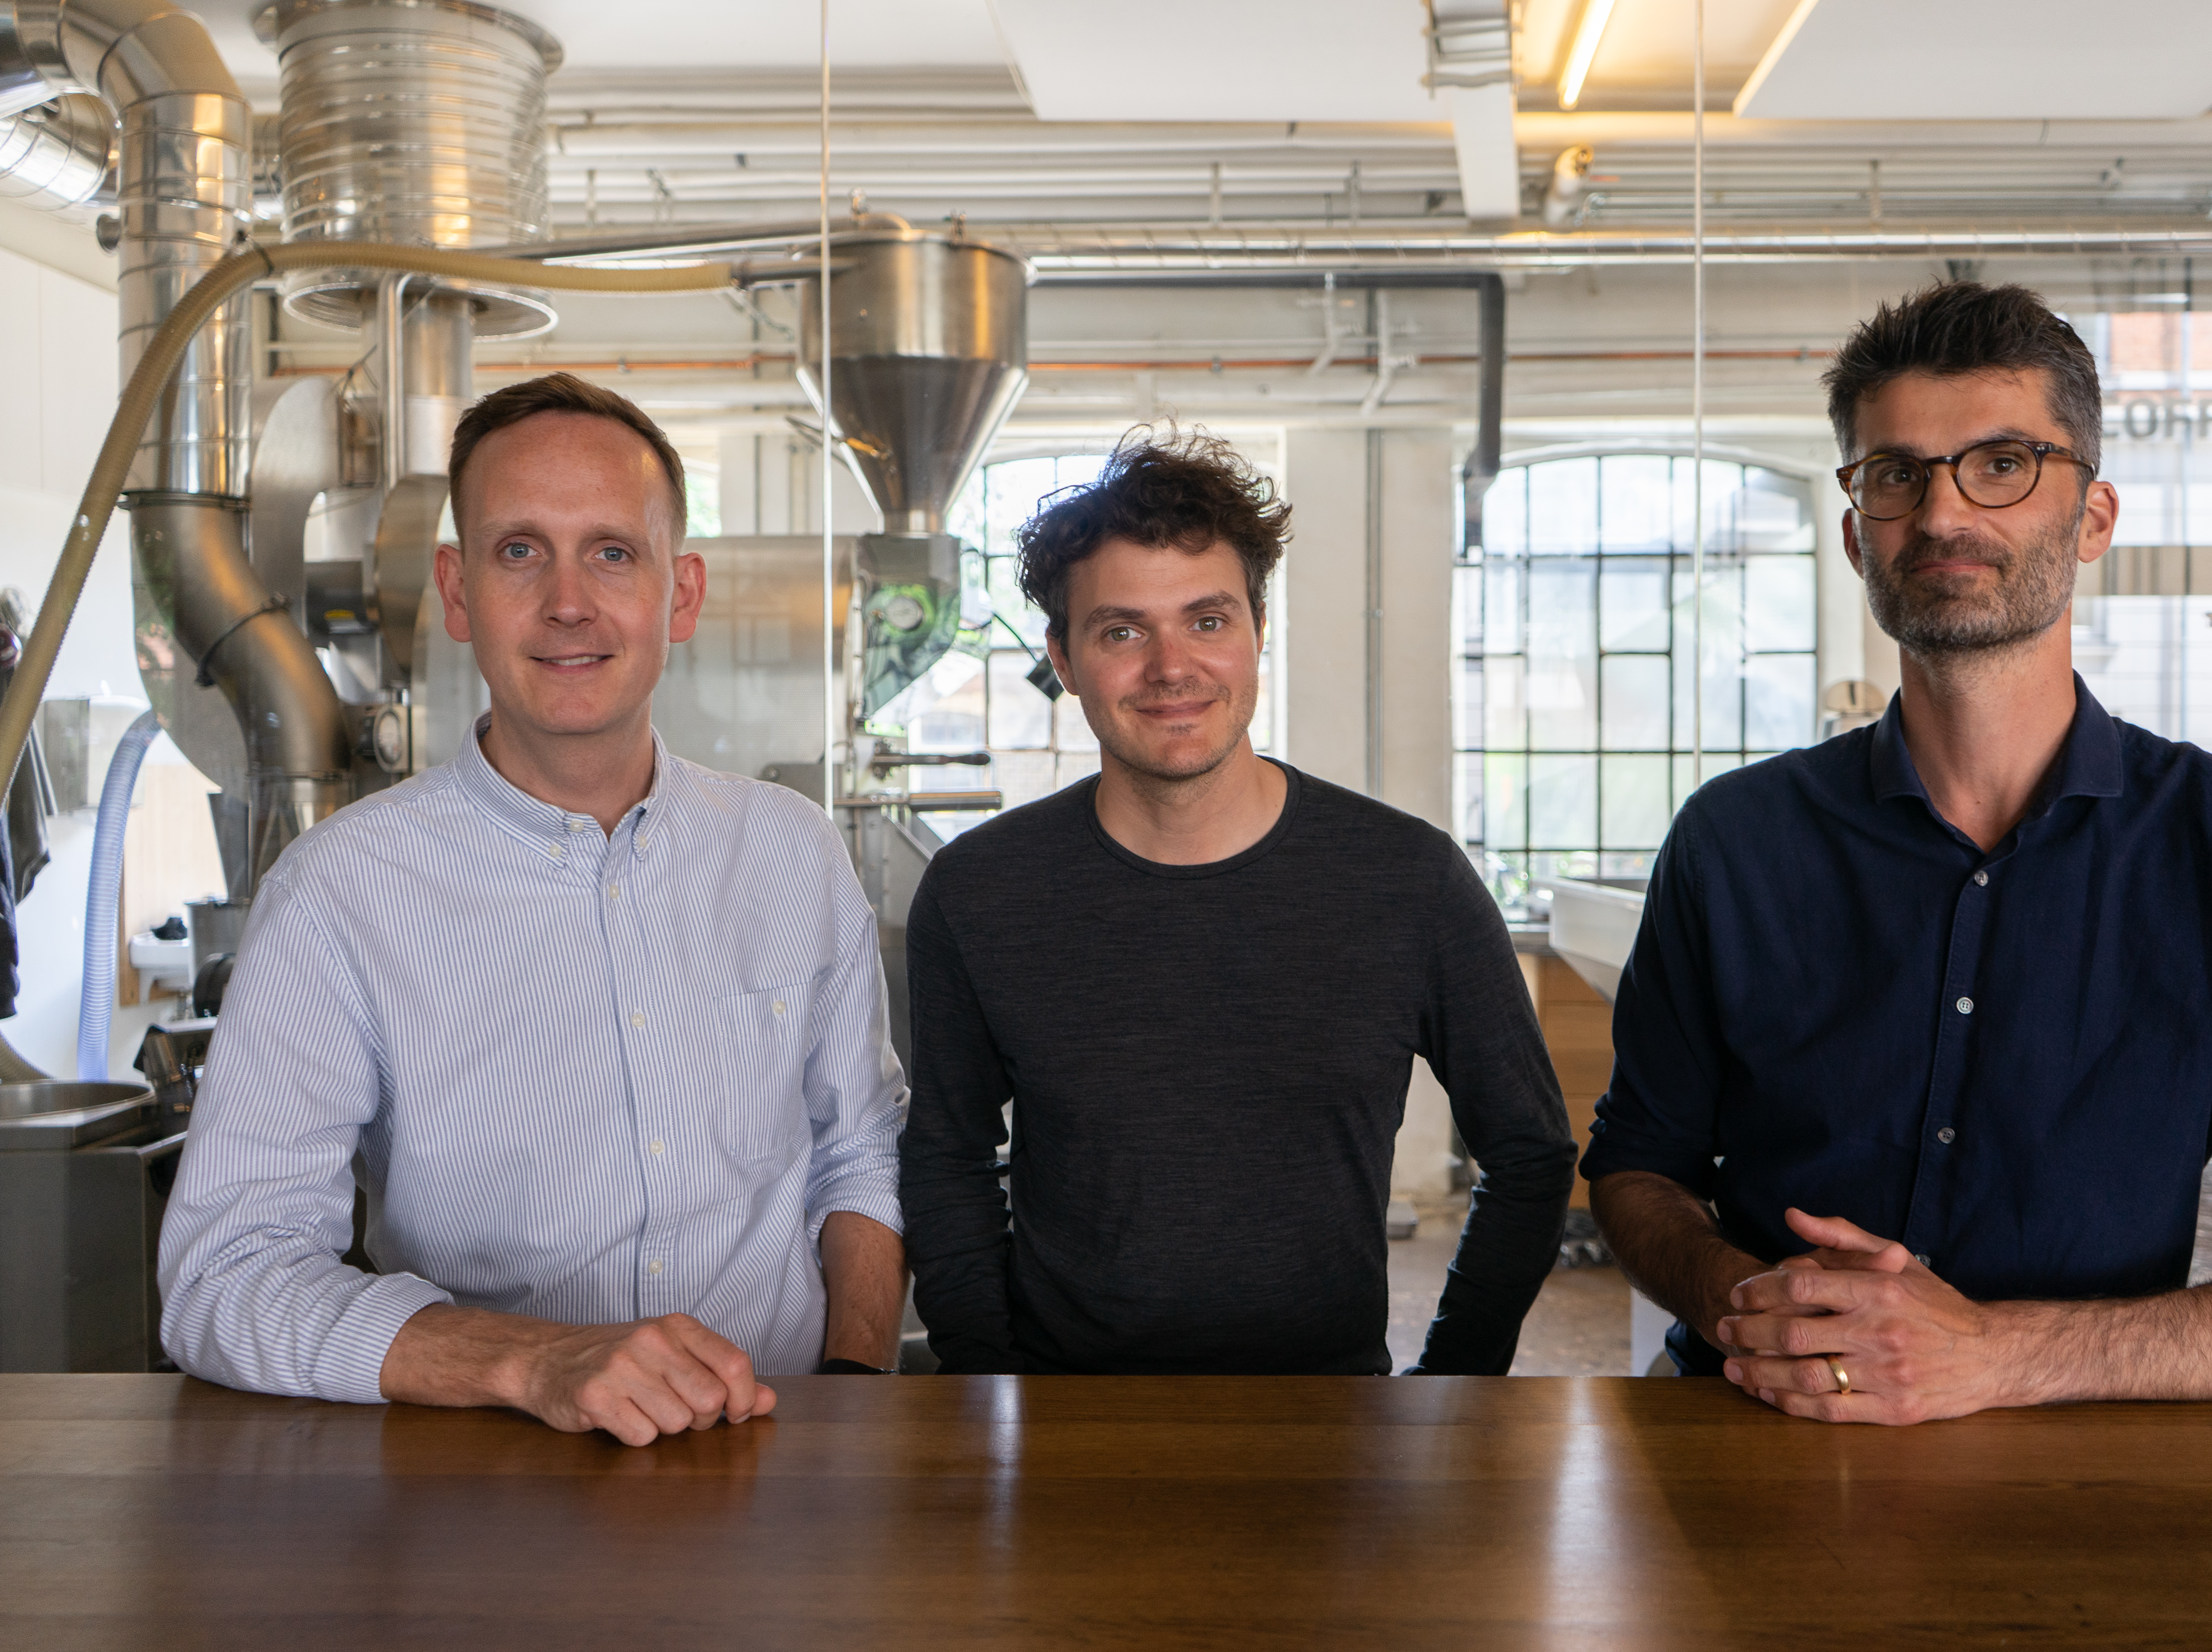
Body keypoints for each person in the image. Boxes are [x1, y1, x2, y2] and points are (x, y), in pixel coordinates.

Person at [1584, 282, 2212, 1424]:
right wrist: (1748, 1301)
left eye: (2002, 463)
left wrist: (1997, 1353)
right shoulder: (1735, 838)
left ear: (2094, 518)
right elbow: (1636, 1169)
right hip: (1760, 1433)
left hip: (2083, 1464)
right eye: (1898, 473)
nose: (1946, 512)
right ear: (1859, 531)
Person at [160, 373, 908, 1445]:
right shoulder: (340, 894)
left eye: (612, 551)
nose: (568, 601)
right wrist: (534, 1359)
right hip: (485, 1482)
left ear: (679, 595)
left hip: (779, 1460)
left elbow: (859, 1152)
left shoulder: (791, 853)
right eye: (520, 551)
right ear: (457, 594)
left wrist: (852, 1384)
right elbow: (224, 1275)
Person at [900, 428, 1576, 1375]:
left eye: (1207, 620)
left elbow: (1533, 1153)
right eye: (1122, 630)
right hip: (1067, 1429)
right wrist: (991, 1383)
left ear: (1259, 627)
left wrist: (1452, 1387)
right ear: (1061, 655)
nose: (1172, 667)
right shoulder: (981, 892)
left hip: (1334, 1429)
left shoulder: (1407, 882)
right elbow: (946, 1160)